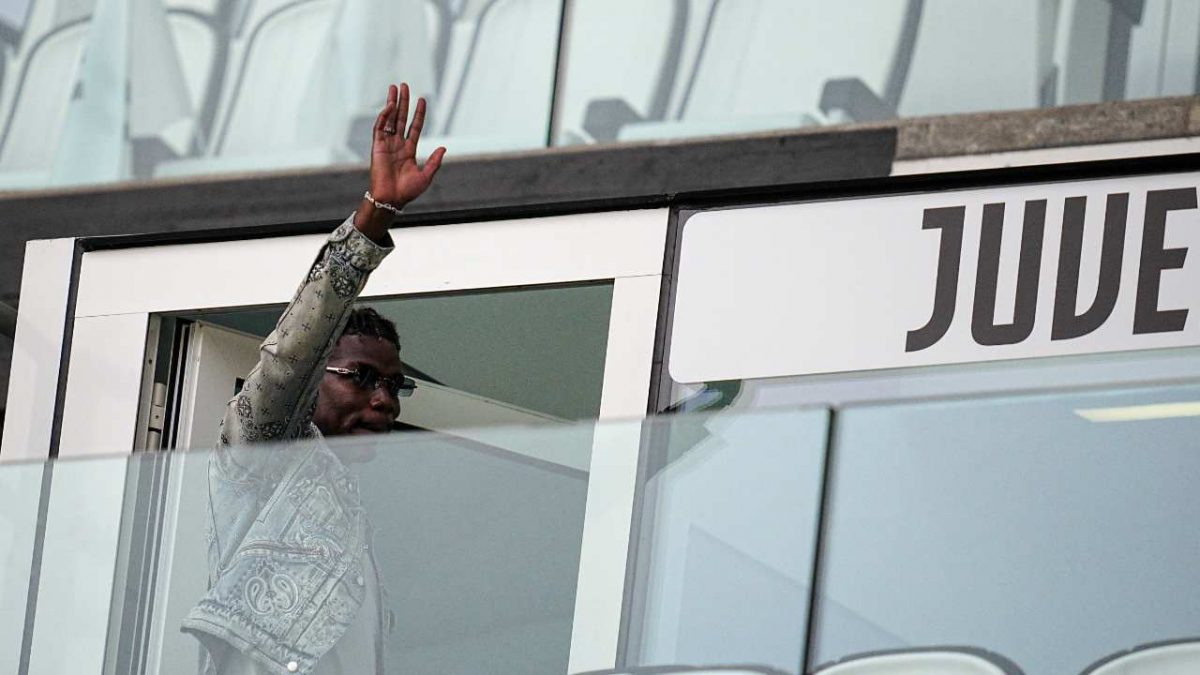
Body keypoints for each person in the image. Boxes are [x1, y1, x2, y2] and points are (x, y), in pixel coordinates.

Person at [182, 82, 446, 675]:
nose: (384, 401)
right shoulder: (261, 458)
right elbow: (291, 359)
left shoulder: (356, 519)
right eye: (362, 377)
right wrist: (376, 218)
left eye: (394, 386)